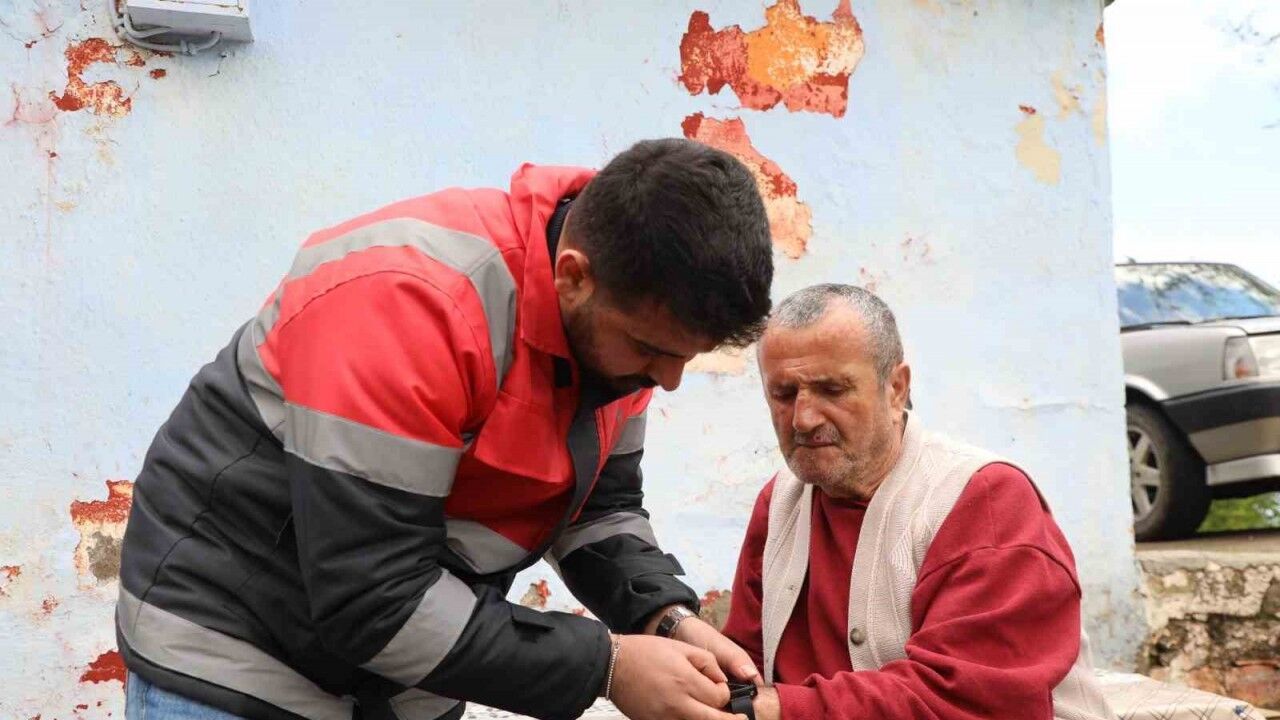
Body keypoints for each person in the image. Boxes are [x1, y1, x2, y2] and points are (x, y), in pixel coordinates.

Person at [117, 139, 774, 720]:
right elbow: (371, 597)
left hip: (397, 681)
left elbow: (600, 510)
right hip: (234, 653)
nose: (668, 380)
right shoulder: (411, 302)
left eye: (686, 357)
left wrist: (665, 617)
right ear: (573, 277)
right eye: (652, 350)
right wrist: (607, 667)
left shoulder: (620, 327)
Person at [721, 284, 1114, 720]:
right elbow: (744, 667)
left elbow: (967, 701)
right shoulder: (780, 504)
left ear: (895, 388)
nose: (803, 418)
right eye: (783, 394)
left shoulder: (985, 501)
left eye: (832, 390)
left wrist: (773, 708)